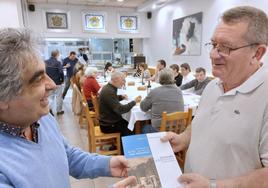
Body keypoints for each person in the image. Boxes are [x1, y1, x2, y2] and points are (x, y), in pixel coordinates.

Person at [0, 28, 138, 188]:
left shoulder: (41, 119)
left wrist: (107, 164)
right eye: (37, 79)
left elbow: (66, 155)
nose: (52, 84)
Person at [161, 6, 268, 187]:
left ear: (257, 53)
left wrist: (214, 186)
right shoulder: (213, 85)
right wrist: (183, 139)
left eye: (225, 47)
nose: (212, 54)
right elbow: (200, 125)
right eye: (213, 44)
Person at [140, 68, 184, 133]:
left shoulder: (155, 91)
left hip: (159, 130)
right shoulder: (179, 91)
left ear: (160, 79)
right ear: (173, 78)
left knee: (145, 127)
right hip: (177, 129)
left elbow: (143, 108)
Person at [99, 71, 141, 137]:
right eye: (123, 80)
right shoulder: (109, 91)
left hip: (107, 121)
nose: (124, 83)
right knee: (131, 128)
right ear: (116, 79)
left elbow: (111, 100)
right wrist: (134, 102)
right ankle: (123, 147)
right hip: (108, 125)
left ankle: (119, 144)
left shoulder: (108, 87)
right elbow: (120, 110)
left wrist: (120, 97)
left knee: (129, 123)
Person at [45, 49, 64, 115]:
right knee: (59, 97)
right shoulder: (58, 63)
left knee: (50, 97)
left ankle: (49, 110)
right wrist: (62, 80)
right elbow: (61, 72)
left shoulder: (45, 62)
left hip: (48, 83)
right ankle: (59, 111)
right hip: (57, 82)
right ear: (57, 55)